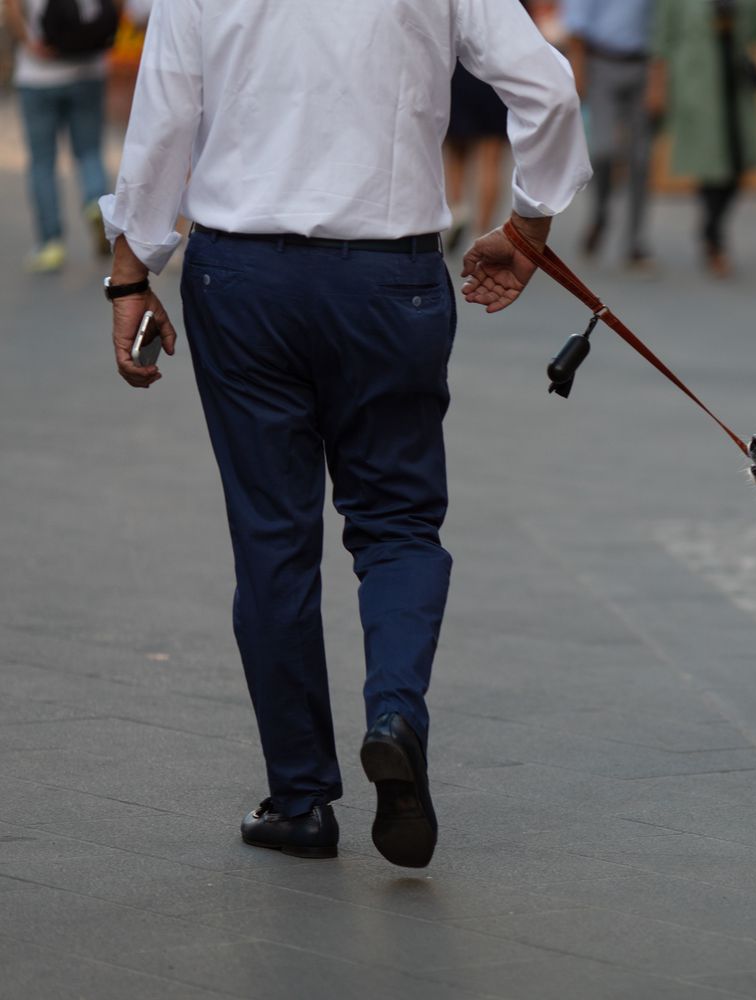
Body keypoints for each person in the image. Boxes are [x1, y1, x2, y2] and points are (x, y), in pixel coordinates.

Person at [100, 0, 590, 866]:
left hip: (242, 279)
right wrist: (529, 224)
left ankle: (300, 799)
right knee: (399, 522)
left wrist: (132, 270)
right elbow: (546, 87)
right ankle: (395, 712)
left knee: (271, 538)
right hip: (388, 279)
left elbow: (165, 114)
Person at [647, 0, 756, 278]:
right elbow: (661, 41)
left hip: (736, 87)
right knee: (709, 163)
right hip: (696, 86)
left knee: (738, 165)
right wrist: (657, 87)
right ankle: (714, 238)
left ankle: (711, 227)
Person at [4, 0, 115, 272]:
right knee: (89, 151)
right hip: (88, 70)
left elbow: (10, 8)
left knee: (42, 162)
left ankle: (51, 242)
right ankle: (95, 202)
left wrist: (28, 43)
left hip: (37, 76)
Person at [563, 0, 656, 268]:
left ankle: (635, 241)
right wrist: (577, 71)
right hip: (602, 63)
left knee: (641, 159)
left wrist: (660, 76)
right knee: (603, 149)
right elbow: (576, 24)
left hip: (644, 65)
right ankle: (600, 215)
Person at [444, 63, 510, 249]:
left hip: (460, 68)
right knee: (492, 156)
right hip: (495, 72)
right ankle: (482, 232)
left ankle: (458, 210)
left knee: (456, 150)